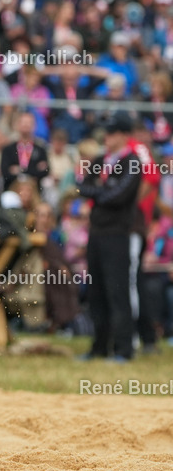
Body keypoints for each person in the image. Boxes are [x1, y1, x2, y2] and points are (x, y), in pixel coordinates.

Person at [77, 111, 142, 361]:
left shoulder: (133, 160)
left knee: (118, 291)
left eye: (113, 132)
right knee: (96, 292)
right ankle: (99, 347)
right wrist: (100, 191)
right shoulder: (101, 158)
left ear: (125, 135)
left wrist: (97, 192)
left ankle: (124, 349)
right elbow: (82, 186)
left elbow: (118, 196)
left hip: (117, 234)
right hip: (97, 232)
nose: (107, 136)